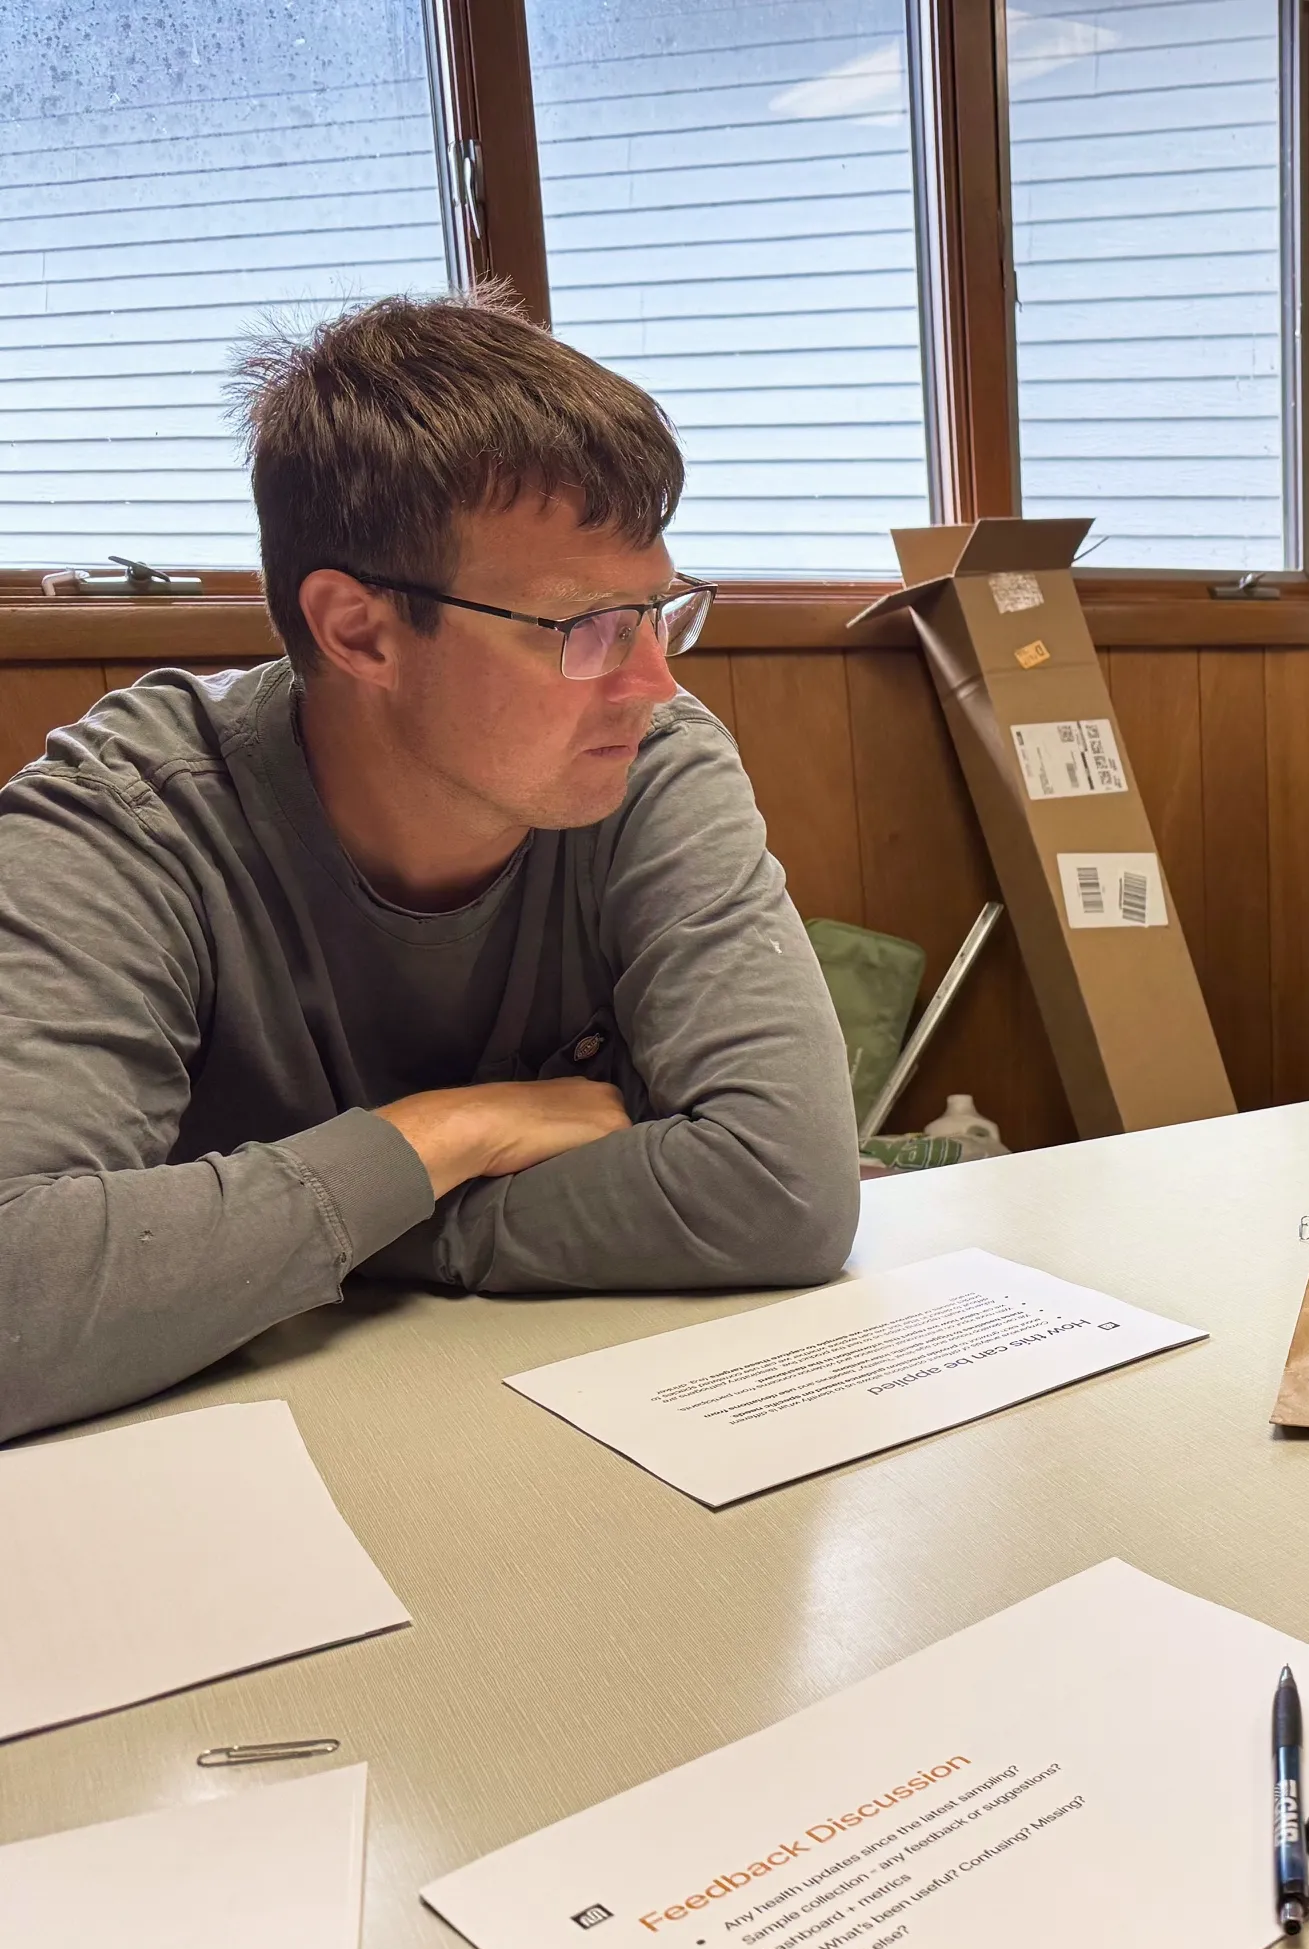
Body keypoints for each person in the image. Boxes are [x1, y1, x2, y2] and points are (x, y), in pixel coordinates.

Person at [0, 291, 860, 1444]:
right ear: (358, 631)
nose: (652, 682)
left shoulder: (645, 763)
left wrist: (326, 1231)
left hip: (553, 1434)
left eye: (660, 612)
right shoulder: (126, 822)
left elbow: (783, 1187)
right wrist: (447, 1136)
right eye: (586, 627)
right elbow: (19, 1299)